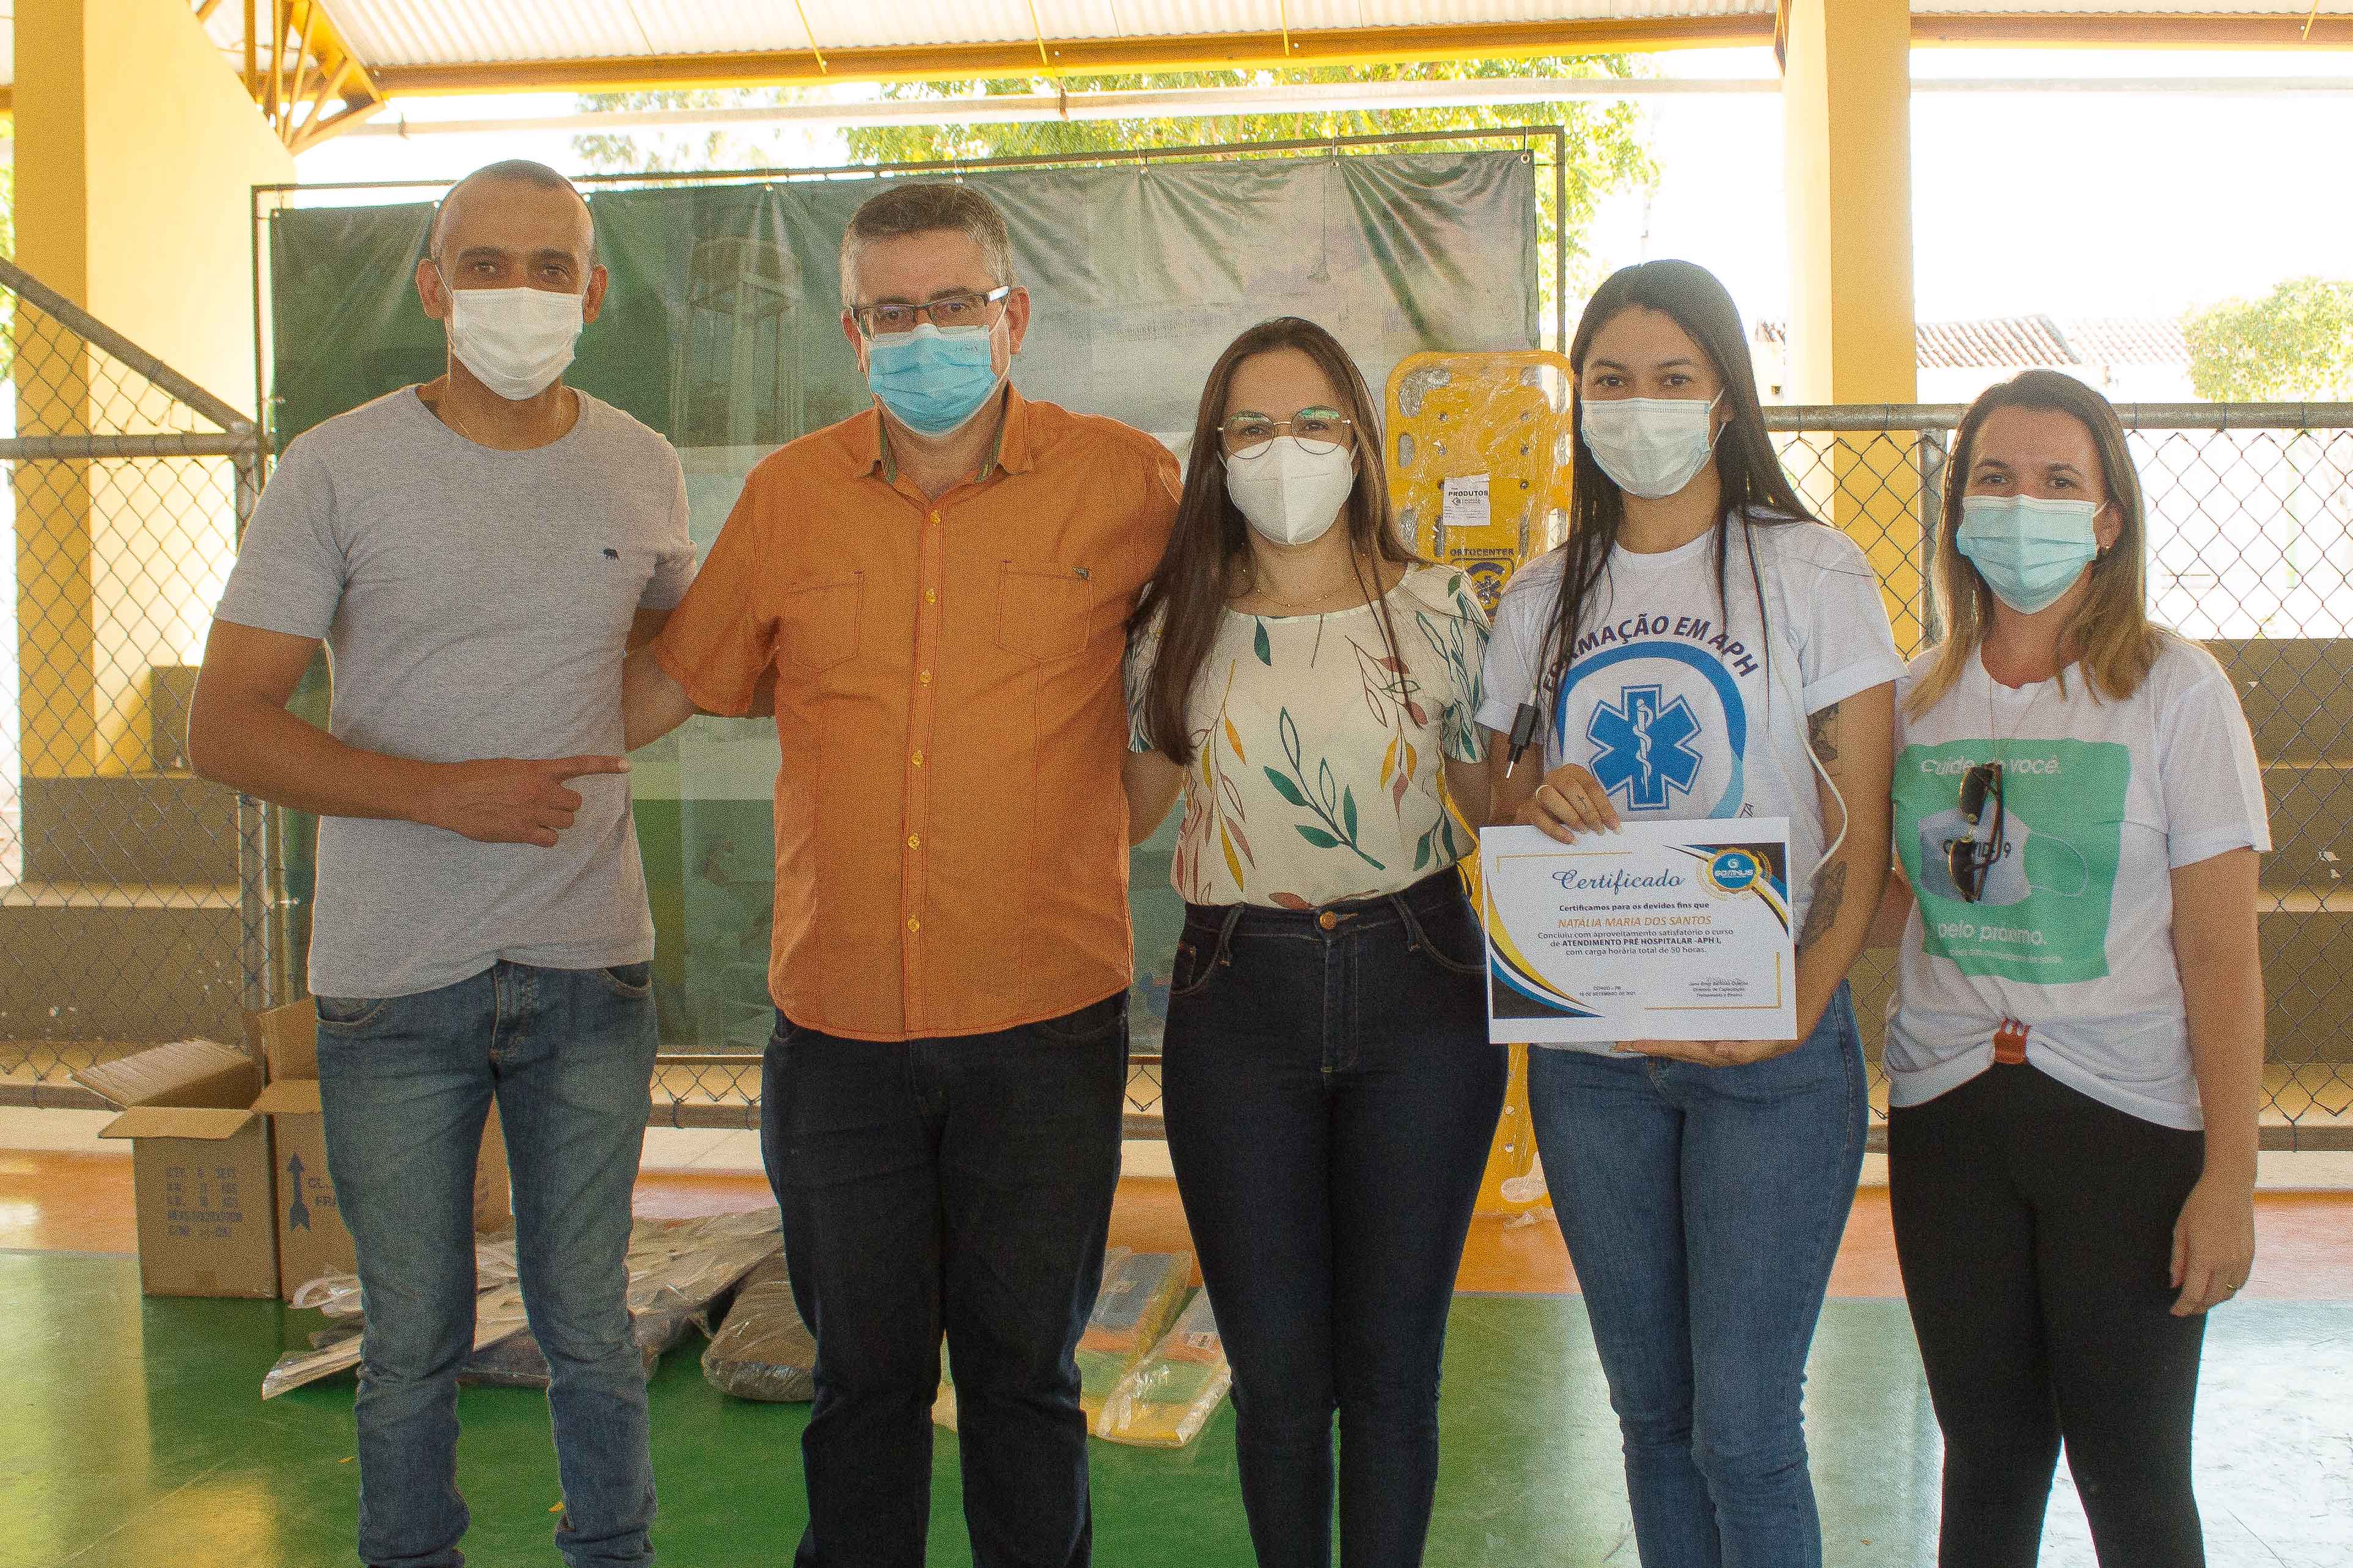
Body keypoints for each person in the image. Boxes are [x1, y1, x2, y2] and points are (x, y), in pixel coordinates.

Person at [621, 181, 1180, 1568]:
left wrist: (1103, 825)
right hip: (841, 1034)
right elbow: (676, 679)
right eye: (891, 313)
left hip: (1043, 1023)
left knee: (1024, 1380)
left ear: (1014, 315)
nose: (925, 334)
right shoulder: (790, 497)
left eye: (953, 304)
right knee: (862, 1385)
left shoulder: (1126, 484)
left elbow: (1207, 672)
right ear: (852, 333)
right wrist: (469, 737)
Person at [189, 159, 692, 1568]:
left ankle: (613, 1551)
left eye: (550, 267)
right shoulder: (335, 466)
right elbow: (225, 727)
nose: (519, 293)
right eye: (486, 265)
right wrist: (442, 796)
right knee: (412, 1339)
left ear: (593, 292)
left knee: (591, 1321)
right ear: (432, 288)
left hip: (591, 966)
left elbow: (683, 655)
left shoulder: (641, 464)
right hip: (393, 977)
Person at [1480, 259, 1901, 1568]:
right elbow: (1499, 812)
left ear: (1726, 399)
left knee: (1747, 1432)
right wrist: (1538, 802)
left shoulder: (1812, 571)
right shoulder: (1543, 596)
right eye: (1611, 380)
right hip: (1594, 1059)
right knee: (1653, 1420)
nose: (1640, 405)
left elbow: (1863, 837)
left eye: (1673, 378)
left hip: (1771, 1058)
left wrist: (1797, 1010)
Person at [1121, 318, 1506, 1568]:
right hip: (1239, 1007)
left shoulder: (1443, 611)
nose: (1283, 450)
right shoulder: (1174, 623)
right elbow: (1122, 809)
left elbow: (1494, 803)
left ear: (1360, 443)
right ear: (1216, 452)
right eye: (1252, 426)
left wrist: (1575, 801)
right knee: (1279, 1382)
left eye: (1313, 422)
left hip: (1423, 995)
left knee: (1394, 1374)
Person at [1876, 370, 2267, 1568]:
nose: (2022, 503)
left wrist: (2232, 1178)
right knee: (1986, 1467)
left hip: (2126, 1127)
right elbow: (1885, 898)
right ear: (1956, 508)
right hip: (1949, 1120)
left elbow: (2220, 952)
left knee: (2133, 1477)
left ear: (2108, 519)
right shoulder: (1912, 700)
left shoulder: (2175, 692)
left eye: (2058, 481)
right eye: (1995, 478)